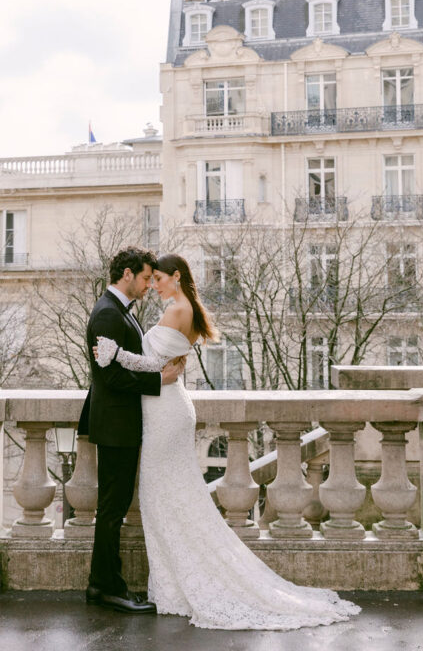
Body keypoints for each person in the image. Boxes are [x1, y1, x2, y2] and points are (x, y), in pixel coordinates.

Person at [93, 253, 362, 631]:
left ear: (175, 277)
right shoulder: (179, 308)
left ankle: (178, 585)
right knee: (168, 499)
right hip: (165, 407)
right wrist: (130, 359)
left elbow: (154, 364)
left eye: (157, 279)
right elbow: (160, 363)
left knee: (167, 498)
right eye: (148, 278)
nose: (152, 285)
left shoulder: (176, 311)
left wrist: (117, 354)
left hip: (165, 409)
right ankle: (170, 584)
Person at [77, 246, 184, 614]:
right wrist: (160, 380)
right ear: (126, 274)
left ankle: (101, 584)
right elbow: (110, 376)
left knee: (113, 507)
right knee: (112, 509)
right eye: (143, 278)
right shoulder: (107, 313)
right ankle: (107, 587)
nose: (146, 285)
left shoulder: (116, 309)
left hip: (119, 422)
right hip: (116, 424)